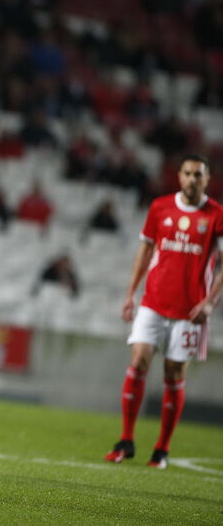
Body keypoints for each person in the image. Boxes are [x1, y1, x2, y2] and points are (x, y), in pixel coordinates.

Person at [104, 155, 223, 469]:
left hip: (190, 310)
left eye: (198, 174)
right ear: (179, 176)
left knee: (173, 374)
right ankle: (126, 440)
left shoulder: (216, 215)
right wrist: (131, 293)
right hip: (154, 302)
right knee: (139, 360)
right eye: (187, 173)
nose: (192, 179)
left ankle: (161, 449)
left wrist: (210, 301)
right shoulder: (160, 207)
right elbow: (145, 249)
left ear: (207, 179)